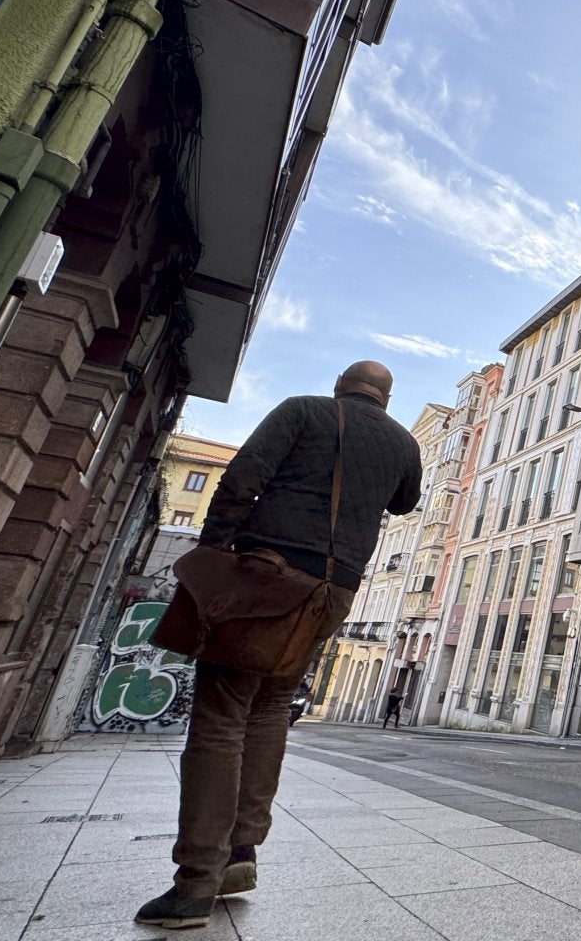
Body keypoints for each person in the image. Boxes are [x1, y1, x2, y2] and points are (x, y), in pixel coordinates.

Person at [136, 361, 422, 931]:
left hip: (269, 576)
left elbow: (243, 477)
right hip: (333, 590)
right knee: (270, 709)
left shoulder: (303, 409)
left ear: (340, 384)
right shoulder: (404, 443)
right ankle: (240, 855)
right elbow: (404, 504)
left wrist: (216, 548)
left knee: (221, 716)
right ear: (386, 399)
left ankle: (195, 881)